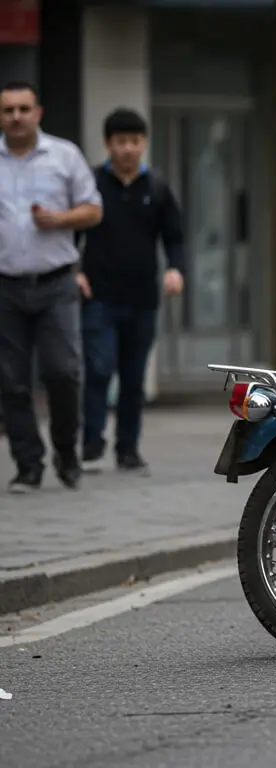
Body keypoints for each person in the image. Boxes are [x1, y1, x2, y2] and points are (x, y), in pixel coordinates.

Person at [0, 81, 104, 493]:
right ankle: (28, 465)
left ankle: (66, 450)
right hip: (6, 287)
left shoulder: (64, 155)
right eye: (8, 110)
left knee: (63, 372)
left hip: (56, 282)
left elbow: (94, 210)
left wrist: (60, 220)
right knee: (11, 381)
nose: (16, 117)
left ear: (38, 113)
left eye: (24, 108)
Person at [77, 108, 186, 474]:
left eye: (134, 141)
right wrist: (75, 272)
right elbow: (69, 235)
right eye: (121, 141)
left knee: (133, 378)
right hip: (99, 297)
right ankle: (92, 445)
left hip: (143, 300)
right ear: (109, 144)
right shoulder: (90, 185)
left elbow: (174, 236)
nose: (128, 148)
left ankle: (128, 450)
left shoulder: (155, 187)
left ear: (143, 143)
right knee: (98, 367)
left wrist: (175, 269)